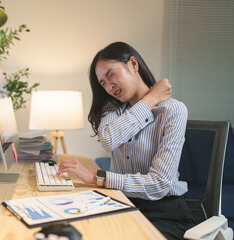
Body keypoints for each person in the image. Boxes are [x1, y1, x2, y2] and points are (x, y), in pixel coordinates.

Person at [57, 42, 195, 239]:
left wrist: (98, 178)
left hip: (164, 214)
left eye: (110, 74)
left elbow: (159, 184)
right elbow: (109, 140)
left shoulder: (173, 110)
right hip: (122, 203)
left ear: (133, 64)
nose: (108, 86)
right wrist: (151, 99)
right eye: (102, 83)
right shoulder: (112, 109)